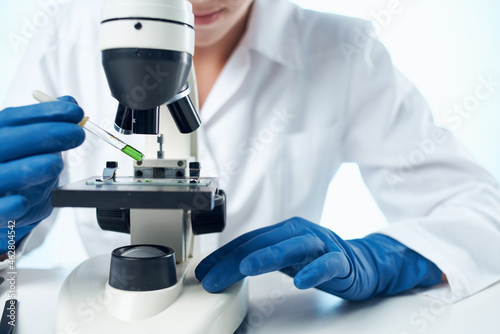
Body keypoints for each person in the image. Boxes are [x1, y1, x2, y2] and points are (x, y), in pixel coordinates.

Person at [1, 0, 499, 303]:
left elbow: (482, 214)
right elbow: (12, 245)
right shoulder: (63, 36)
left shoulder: (343, 51)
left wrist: (386, 260)